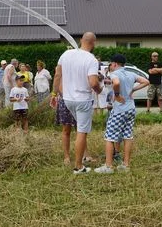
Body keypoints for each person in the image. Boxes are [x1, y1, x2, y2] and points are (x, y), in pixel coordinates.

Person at [53, 32, 102, 174]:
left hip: (68, 99)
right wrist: (99, 90)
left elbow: (57, 75)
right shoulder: (91, 59)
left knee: (79, 129)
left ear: (81, 40)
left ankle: (81, 159)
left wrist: (55, 93)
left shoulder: (66, 54)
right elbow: (93, 82)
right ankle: (79, 166)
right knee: (81, 131)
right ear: (94, 43)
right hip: (83, 100)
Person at [95, 54, 149, 174]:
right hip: (131, 109)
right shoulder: (131, 73)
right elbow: (146, 81)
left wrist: (118, 95)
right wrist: (133, 90)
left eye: (111, 64)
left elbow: (117, 83)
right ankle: (126, 165)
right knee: (127, 136)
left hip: (119, 110)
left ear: (114, 64)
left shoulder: (114, 74)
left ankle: (108, 166)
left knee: (109, 137)